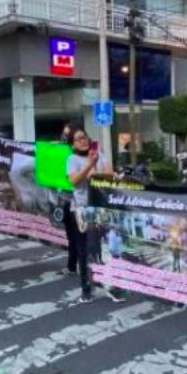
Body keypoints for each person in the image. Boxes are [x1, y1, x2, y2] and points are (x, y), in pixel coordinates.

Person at [65, 128, 125, 303]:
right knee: (84, 250)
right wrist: (90, 166)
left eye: (84, 137)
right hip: (82, 209)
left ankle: (111, 287)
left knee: (106, 247)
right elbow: (73, 180)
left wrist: (94, 172)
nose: (83, 141)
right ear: (72, 144)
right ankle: (86, 288)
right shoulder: (72, 159)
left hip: (102, 208)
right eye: (78, 139)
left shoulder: (99, 154)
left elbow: (111, 174)